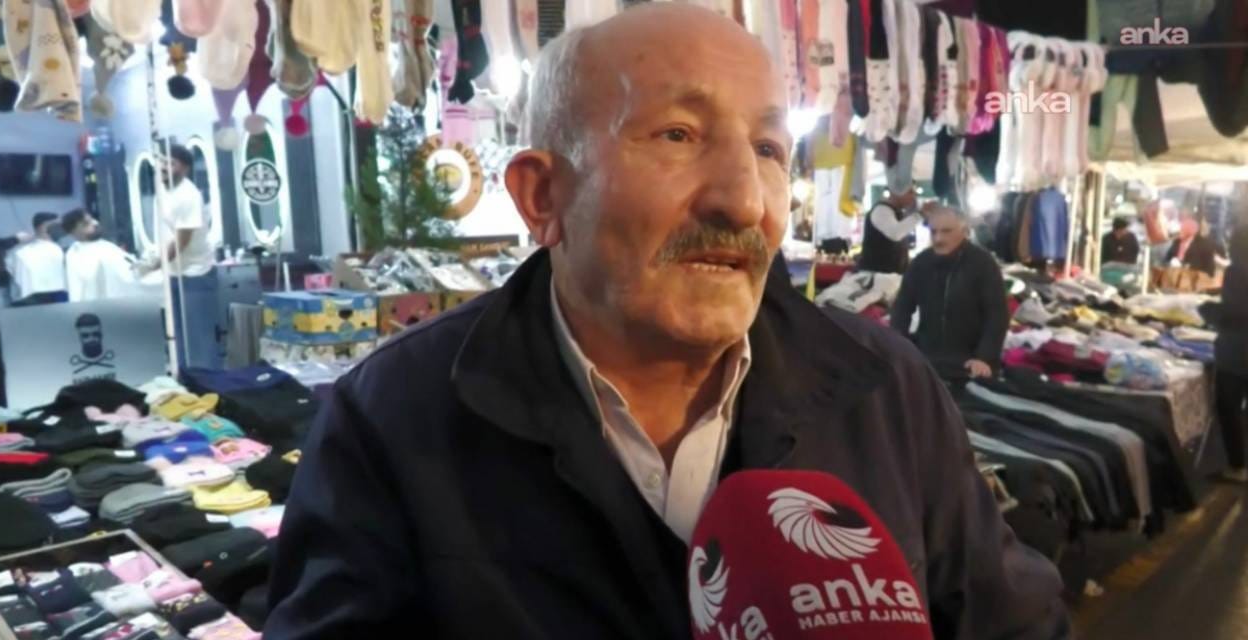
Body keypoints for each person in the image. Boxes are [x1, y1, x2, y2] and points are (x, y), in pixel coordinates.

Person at [265, 6, 1068, 639]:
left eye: (768, 148)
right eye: (678, 135)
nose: (743, 201)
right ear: (543, 196)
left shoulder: (889, 393)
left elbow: (1015, 623)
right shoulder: (390, 422)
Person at [891, 204, 1010, 383]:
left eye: (946, 231)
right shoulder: (921, 263)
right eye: (934, 232)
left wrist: (984, 357)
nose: (938, 238)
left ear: (964, 231)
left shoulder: (982, 263)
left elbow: (997, 314)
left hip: (971, 361)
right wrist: (898, 348)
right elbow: (902, 308)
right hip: (928, 357)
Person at [154, 144, 221, 370]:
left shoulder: (188, 196)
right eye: (162, 162)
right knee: (178, 336)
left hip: (196, 274)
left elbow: (181, 242)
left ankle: (210, 382)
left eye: (170, 163)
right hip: (175, 272)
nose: (163, 167)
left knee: (199, 338)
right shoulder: (164, 191)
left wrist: (155, 264)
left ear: (185, 169)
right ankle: (185, 378)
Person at [1214, 226, 1248, 482]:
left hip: (1236, 350)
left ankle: (1238, 467)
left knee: (1229, 407)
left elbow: (1233, 309)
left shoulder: (1236, 271)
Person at [62, 209, 137, 302]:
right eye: (86, 224)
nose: (95, 223)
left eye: (92, 219)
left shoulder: (105, 245)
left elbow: (130, 269)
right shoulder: (75, 255)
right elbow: (82, 289)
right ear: (74, 232)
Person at [5, 212, 67, 305]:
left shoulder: (62, 250)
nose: (60, 229)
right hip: (34, 302)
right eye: (57, 225)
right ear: (43, 227)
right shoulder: (22, 253)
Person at [856, 186, 921, 273]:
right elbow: (895, 233)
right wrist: (920, 215)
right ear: (896, 192)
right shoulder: (881, 210)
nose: (914, 196)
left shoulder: (897, 212)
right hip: (877, 276)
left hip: (891, 276)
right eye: (910, 192)